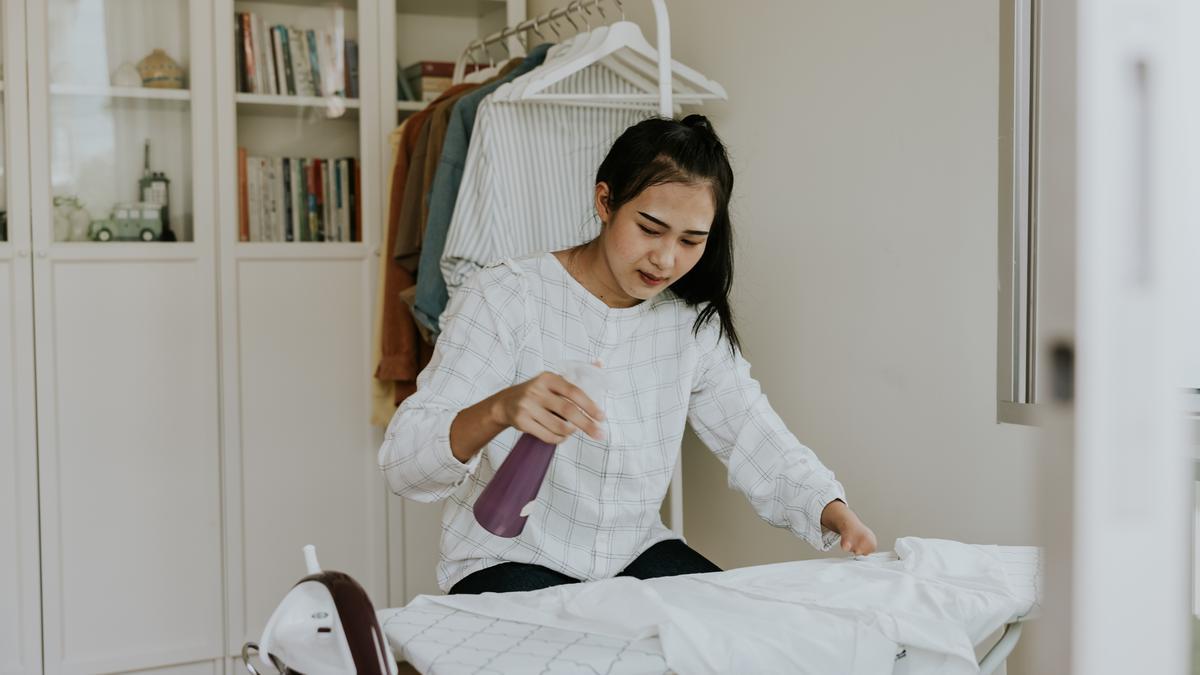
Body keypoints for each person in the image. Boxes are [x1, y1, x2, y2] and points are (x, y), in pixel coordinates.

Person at [379, 114, 877, 595]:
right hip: (508, 557)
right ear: (605, 200)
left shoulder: (689, 321)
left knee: (733, 635)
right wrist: (499, 409)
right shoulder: (506, 295)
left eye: (691, 240)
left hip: (634, 554)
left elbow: (753, 431)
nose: (665, 259)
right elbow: (405, 463)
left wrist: (829, 507)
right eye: (650, 228)